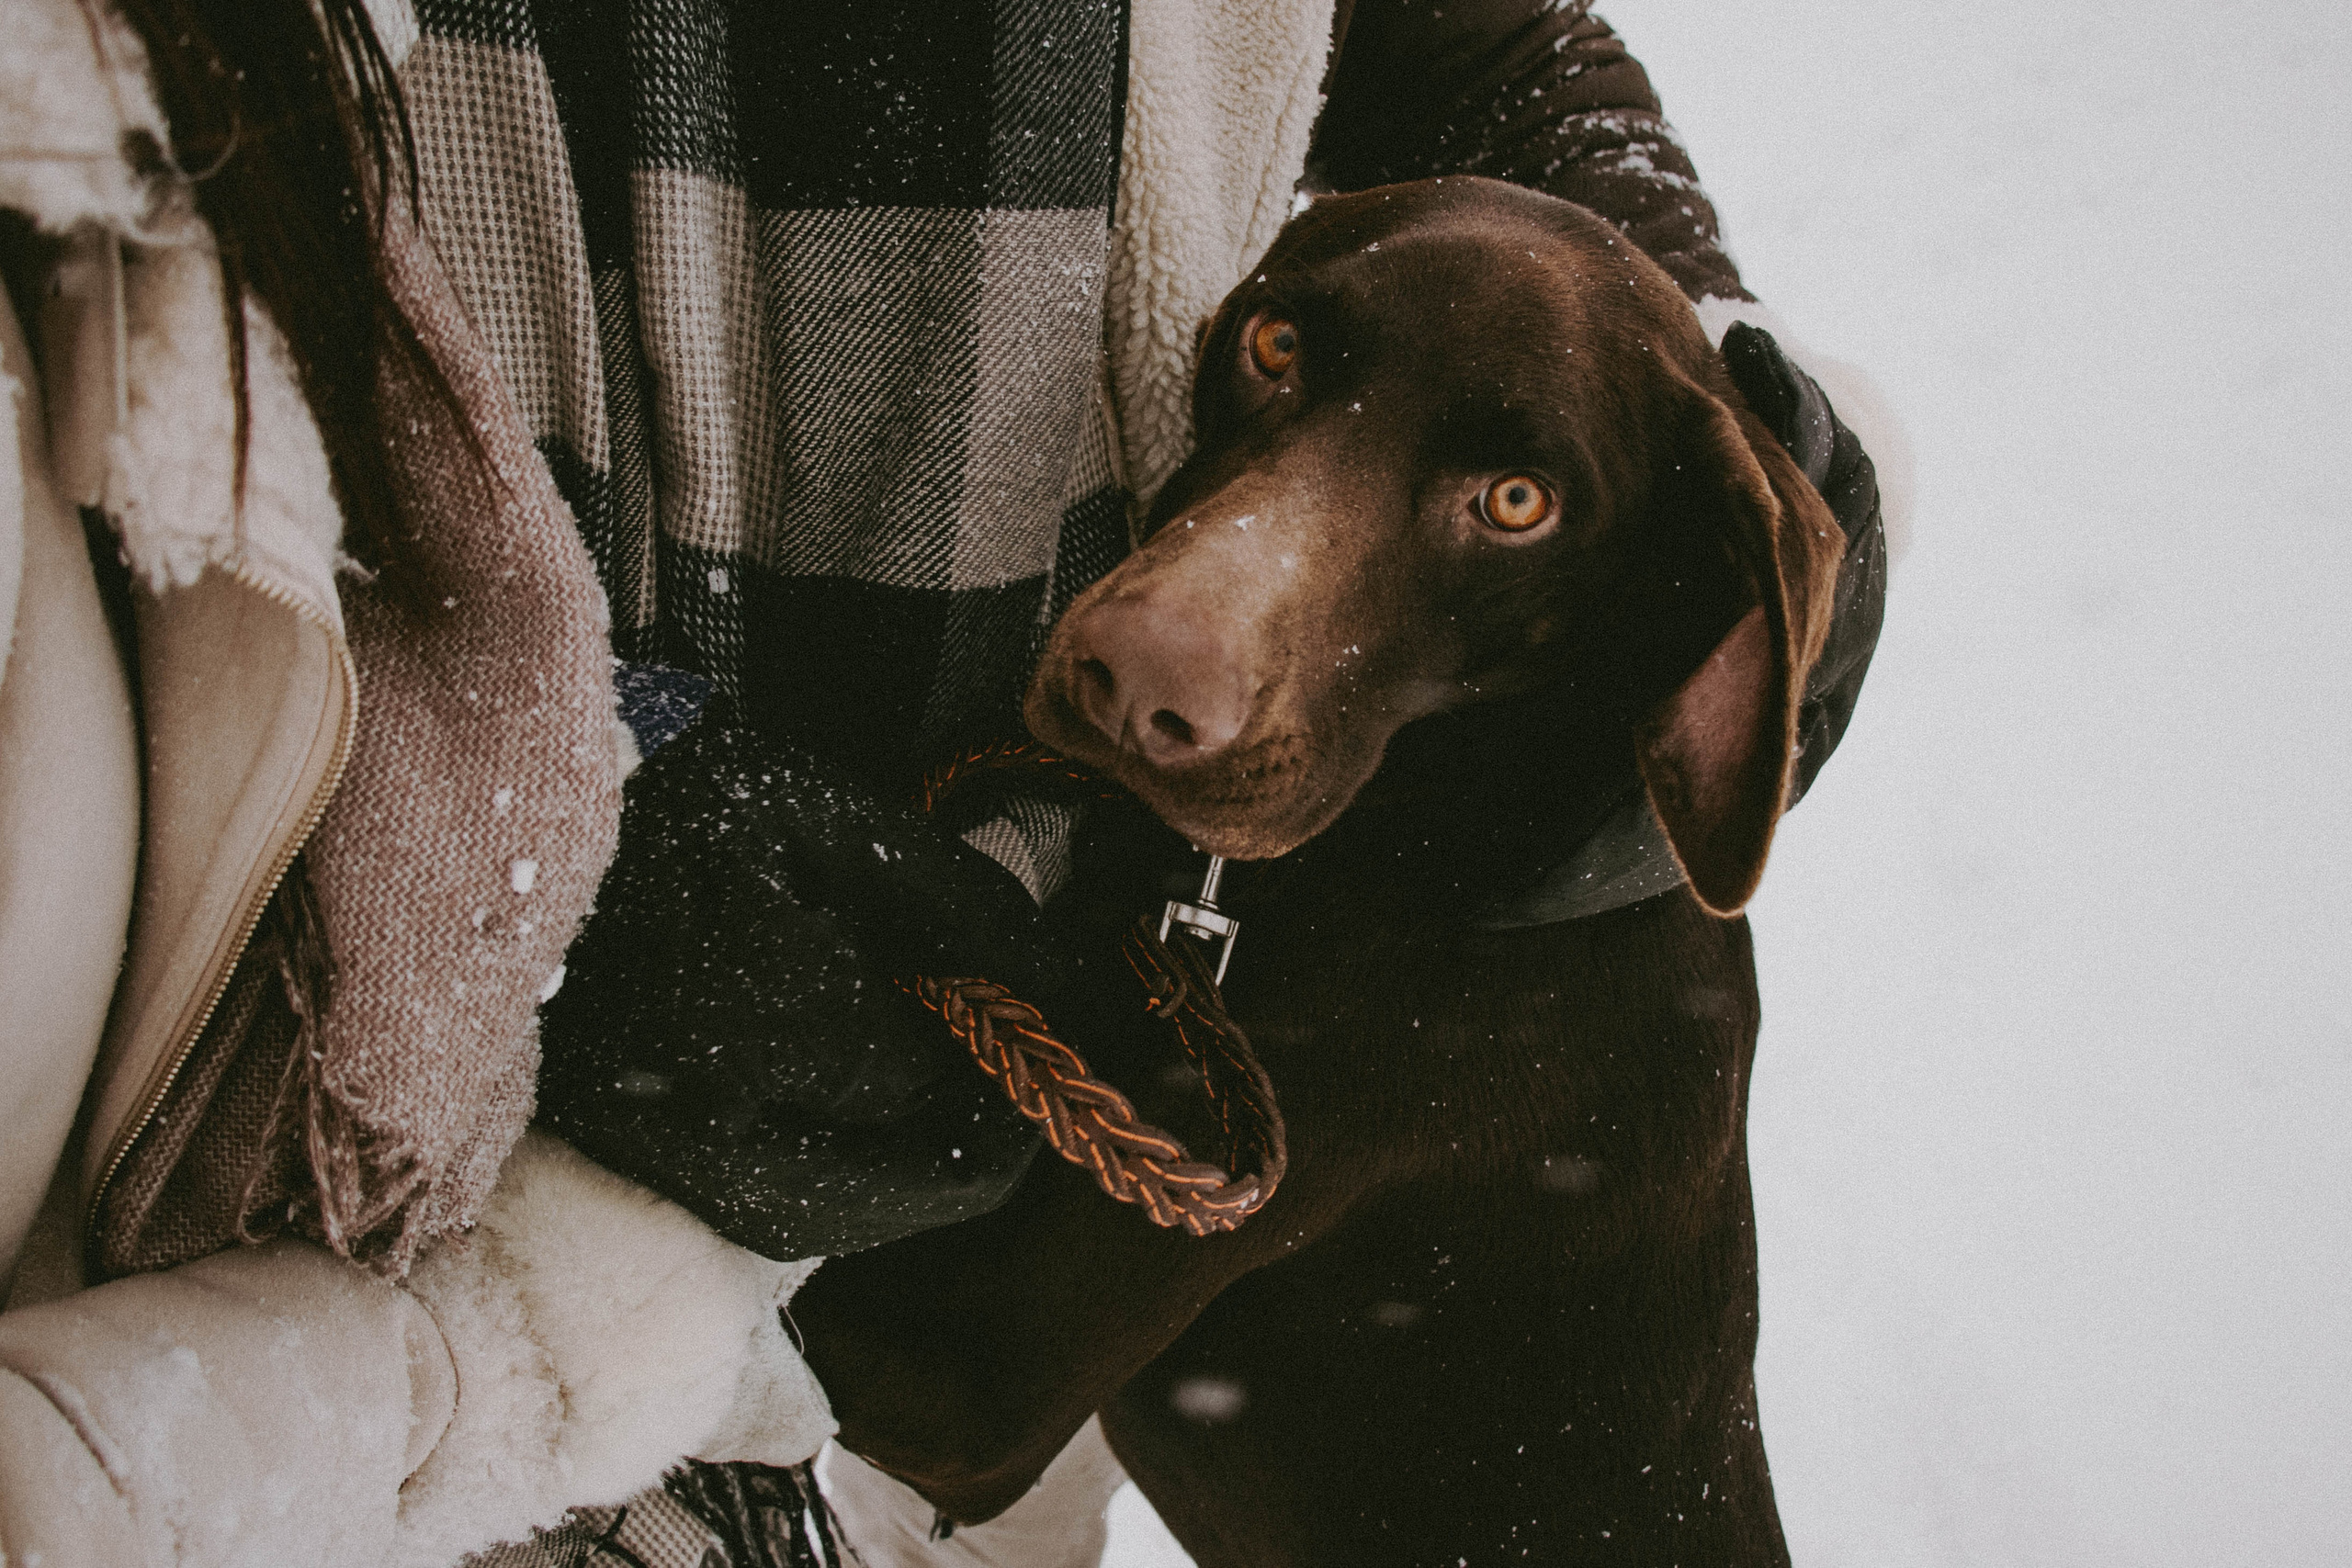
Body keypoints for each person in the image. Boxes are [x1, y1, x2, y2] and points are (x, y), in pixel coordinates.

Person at [0, 0, 1900, 1563]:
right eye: (1276, 351)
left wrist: (1746, 456)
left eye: (1514, 495)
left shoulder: (1491, 950)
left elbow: (952, 1401)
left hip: (886, 1321)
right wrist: (602, 799)